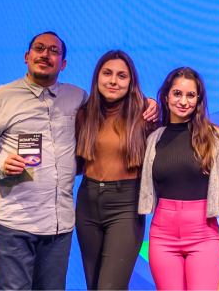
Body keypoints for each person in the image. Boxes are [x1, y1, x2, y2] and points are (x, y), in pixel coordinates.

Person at [0, 33, 158, 291]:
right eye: (39, 48)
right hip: (15, 219)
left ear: (63, 63)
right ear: (27, 56)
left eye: (53, 50)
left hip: (59, 222)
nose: (45, 54)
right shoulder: (3, 97)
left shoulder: (77, 99)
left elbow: (115, 117)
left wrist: (148, 102)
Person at [138, 67, 219, 291]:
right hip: (162, 234)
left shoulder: (216, 137)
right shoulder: (154, 139)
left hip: (204, 233)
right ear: (166, 96)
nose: (183, 101)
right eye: (177, 93)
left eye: (190, 95)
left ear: (199, 99)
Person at [74, 50, 157, 291]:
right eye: (107, 73)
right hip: (87, 204)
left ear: (131, 81)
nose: (113, 81)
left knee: (110, 287)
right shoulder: (84, 114)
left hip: (126, 205)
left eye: (122, 76)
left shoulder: (146, 114)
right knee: (94, 286)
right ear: (97, 77)